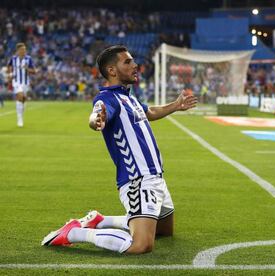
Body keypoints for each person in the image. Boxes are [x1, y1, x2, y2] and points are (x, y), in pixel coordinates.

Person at [42, 45, 197, 254]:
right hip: (138, 180)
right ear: (112, 71)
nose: (135, 65)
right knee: (141, 245)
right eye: (128, 62)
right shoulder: (106, 98)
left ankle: (100, 220)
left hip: (157, 177)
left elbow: (149, 111)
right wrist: (96, 120)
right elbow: (96, 113)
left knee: (164, 231)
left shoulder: (129, 97)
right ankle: (73, 232)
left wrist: (175, 106)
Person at [7, 43, 36, 127]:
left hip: (25, 82)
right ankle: (19, 119)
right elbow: (9, 66)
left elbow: (34, 71)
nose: (24, 51)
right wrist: (10, 74)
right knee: (20, 96)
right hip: (16, 81)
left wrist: (27, 69)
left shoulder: (29, 59)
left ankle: (21, 115)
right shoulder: (13, 59)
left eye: (25, 49)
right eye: (22, 49)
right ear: (18, 51)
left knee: (23, 99)